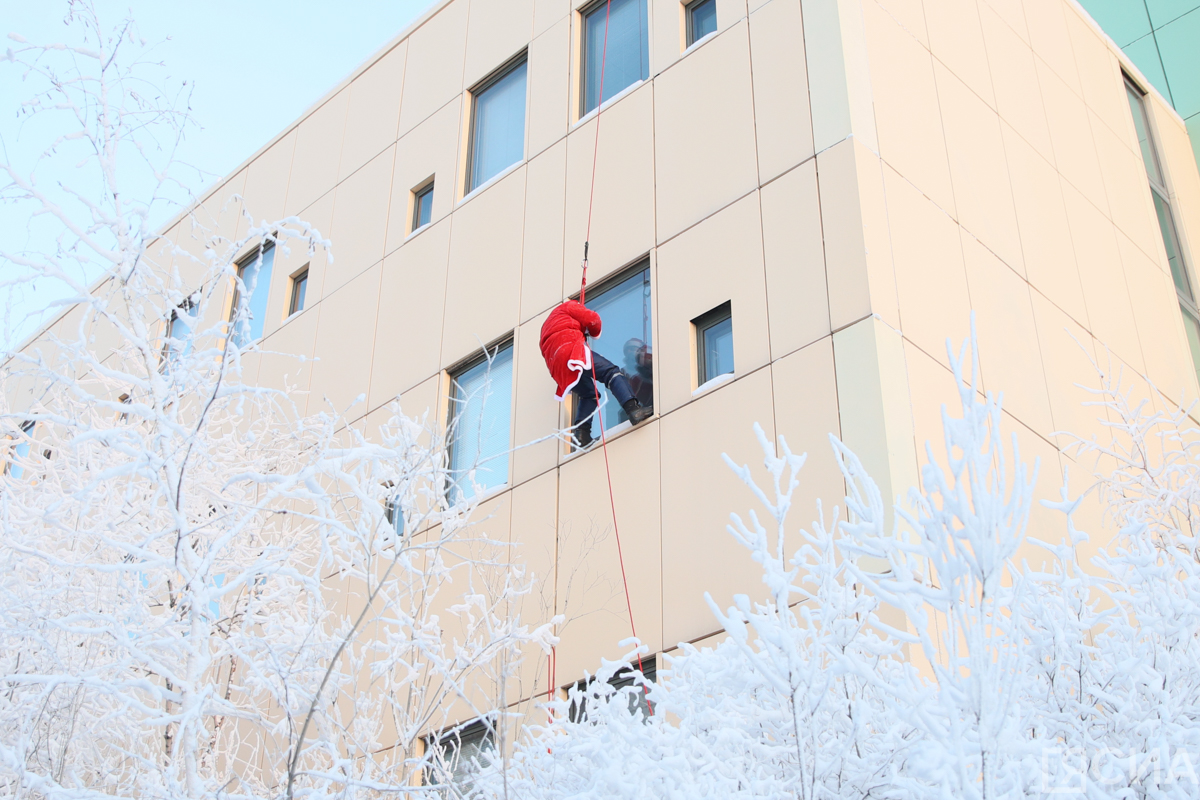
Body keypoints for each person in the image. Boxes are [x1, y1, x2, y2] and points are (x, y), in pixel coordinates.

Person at [540, 299, 652, 450]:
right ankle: (633, 409)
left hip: (556, 365)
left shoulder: (548, 324)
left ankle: (581, 435)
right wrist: (592, 332)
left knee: (590, 395)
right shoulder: (569, 306)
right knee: (611, 372)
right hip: (570, 349)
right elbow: (593, 320)